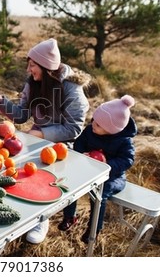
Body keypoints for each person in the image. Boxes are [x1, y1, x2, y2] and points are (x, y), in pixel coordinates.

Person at [0, 38, 91, 244]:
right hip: (36, 136)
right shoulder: (33, 83)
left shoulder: (72, 89)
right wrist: (0, 101)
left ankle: (41, 219)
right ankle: (21, 212)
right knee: (19, 171)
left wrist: (42, 134)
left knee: (45, 175)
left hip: (62, 144)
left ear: (46, 67)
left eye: (33, 65)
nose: (29, 69)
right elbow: (20, 116)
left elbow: (74, 128)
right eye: (29, 64)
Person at [58, 95, 137, 243]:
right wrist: (82, 154)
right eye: (94, 119)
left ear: (111, 129)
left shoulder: (124, 141)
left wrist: (108, 164)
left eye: (99, 124)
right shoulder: (90, 130)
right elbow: (79, 143)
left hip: (113, 177)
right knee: (71, 184)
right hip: (88, 170)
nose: (93, 124)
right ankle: (70, 216)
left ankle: (94, 227)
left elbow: (127, 160)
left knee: (100, 192)